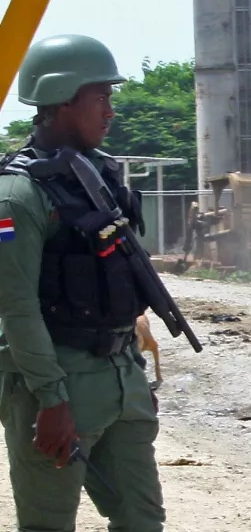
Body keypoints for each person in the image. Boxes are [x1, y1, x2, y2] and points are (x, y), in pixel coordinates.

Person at [0, 35, 166, 531]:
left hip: (119, 380)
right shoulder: (18, 194)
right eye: (101, 99)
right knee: (49, 524)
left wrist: (132, 370)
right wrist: (51, 400)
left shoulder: (98, 177)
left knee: (142, 520)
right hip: (56, 387)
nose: (110, 112)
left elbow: (121, 283)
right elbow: (17, 306)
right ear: (61, 101)